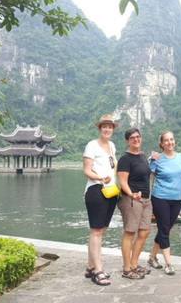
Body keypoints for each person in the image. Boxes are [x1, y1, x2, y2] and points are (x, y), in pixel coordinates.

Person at [82, 114, 119, 286]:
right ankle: (98, 271)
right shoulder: (92, 145)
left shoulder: (112, 146)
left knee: (101, 229)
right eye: (104, 126)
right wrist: (99, 178)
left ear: (113, 129)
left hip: (110, 191)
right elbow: (86, 170)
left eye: (110, 127)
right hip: (96, 190)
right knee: (96, 230)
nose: (107, 129)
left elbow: (114, 167)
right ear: (99, 128)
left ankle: (90, 267)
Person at [147, 130, 181, 275]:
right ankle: (168, 263)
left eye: (171, 139)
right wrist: (150, 160)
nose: (170, 142)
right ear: (162, 144)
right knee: (164, 229)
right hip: (160, 198)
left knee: (166, 229)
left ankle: (152, 257)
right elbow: (147, 174)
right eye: (166, 140)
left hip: (176, 199)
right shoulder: (157, 159)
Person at [117, 128, 152, 280]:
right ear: (127, 141)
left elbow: (146, 174)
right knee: (130, 232)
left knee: (144, 232)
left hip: (146, 199)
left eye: (138, 137)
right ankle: (126, 268)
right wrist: (131, 194)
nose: (136, 139)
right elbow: (122, 181)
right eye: (132, 138)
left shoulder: (142, 156)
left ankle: (134, 263)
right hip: (131, 199)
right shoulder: (125, 159)